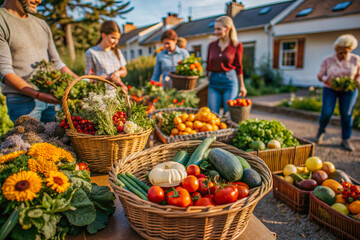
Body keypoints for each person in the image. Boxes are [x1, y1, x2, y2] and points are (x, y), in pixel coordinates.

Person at [0, 0, 78, 123]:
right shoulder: (2, 20)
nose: (39, 1)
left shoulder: (41, 24)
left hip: (51, 99)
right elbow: (5, 72)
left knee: (57, 141)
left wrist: (80, 80)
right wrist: (38, 95)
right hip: (23, 102)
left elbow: (57, 62)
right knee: (30, 141)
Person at [316, 34, 360, 151]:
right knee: (326, 112)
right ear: (336, 50)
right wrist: (327, 80)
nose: (343, 55)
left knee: (347, 114)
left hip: (348, 91)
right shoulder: (328, 60)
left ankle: (346, 139)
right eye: (340, 52)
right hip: (330, 89)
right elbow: (320, 75)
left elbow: (358, 76)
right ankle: (321, 131)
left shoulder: (356, 60)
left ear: (350, 49)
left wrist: (357, 81)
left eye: (346, 52)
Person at [206, 16, 247, 115]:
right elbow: (208, 65)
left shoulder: (236, 45)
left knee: (228, 114)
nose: (215, 32)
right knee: (212, 114)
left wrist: (242, 86)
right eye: (215, 29)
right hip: (214, 82)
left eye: (218, 29)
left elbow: (239, 67)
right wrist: (206, 78)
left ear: (227, 29)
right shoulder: (212, 45)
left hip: (230, 82)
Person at [85, 20, 128, 92]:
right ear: (103, 35)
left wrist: (118, 73)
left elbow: (124, 71)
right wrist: (107, 77)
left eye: (118, 39)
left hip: (117, 93)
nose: (116, 42)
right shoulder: (91, 52)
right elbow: (88, 78)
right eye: (113, 38)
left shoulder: (117, 52)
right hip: (101, 94)